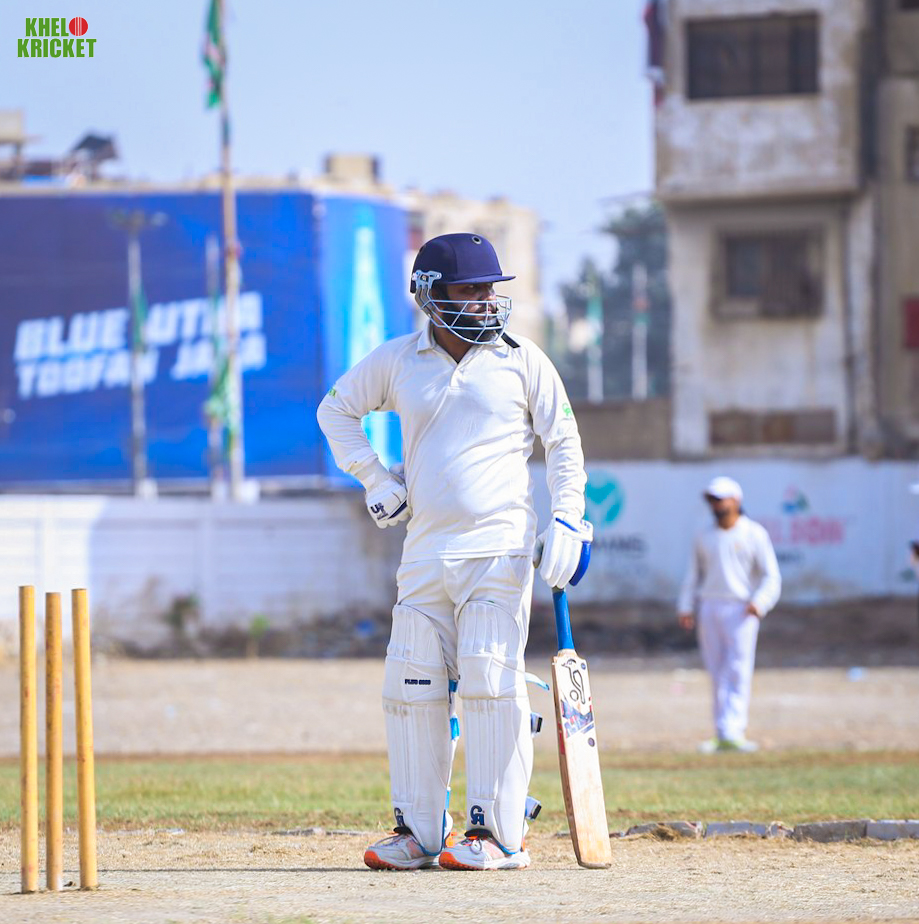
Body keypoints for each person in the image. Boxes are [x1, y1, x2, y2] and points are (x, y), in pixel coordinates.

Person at [316, 233, 591, 871]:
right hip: (424, 551)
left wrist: (568, 517)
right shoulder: (398, 360)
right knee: (410, 687)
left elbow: (564, 443)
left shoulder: (524, 360)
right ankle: (419, 832)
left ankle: (499, 835)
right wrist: (375, 479)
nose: (486, 301)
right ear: (429, 295)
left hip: (499, 550)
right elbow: (336, 411)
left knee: (491, 684)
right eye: (470, 290)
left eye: (490, 289)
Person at [677, 476, 781, 753]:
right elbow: (693, 575)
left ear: (736, 500)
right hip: (710, 605)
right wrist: (686, 606)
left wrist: (760, 603)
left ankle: (735, 730)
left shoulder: (754, 533)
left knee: (738, 669)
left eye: (721, 499)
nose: (717, 505)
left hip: (741, 608)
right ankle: (722, 730)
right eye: (713, 500)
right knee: (716, 670)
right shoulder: (704, 535)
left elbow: (772, 576)